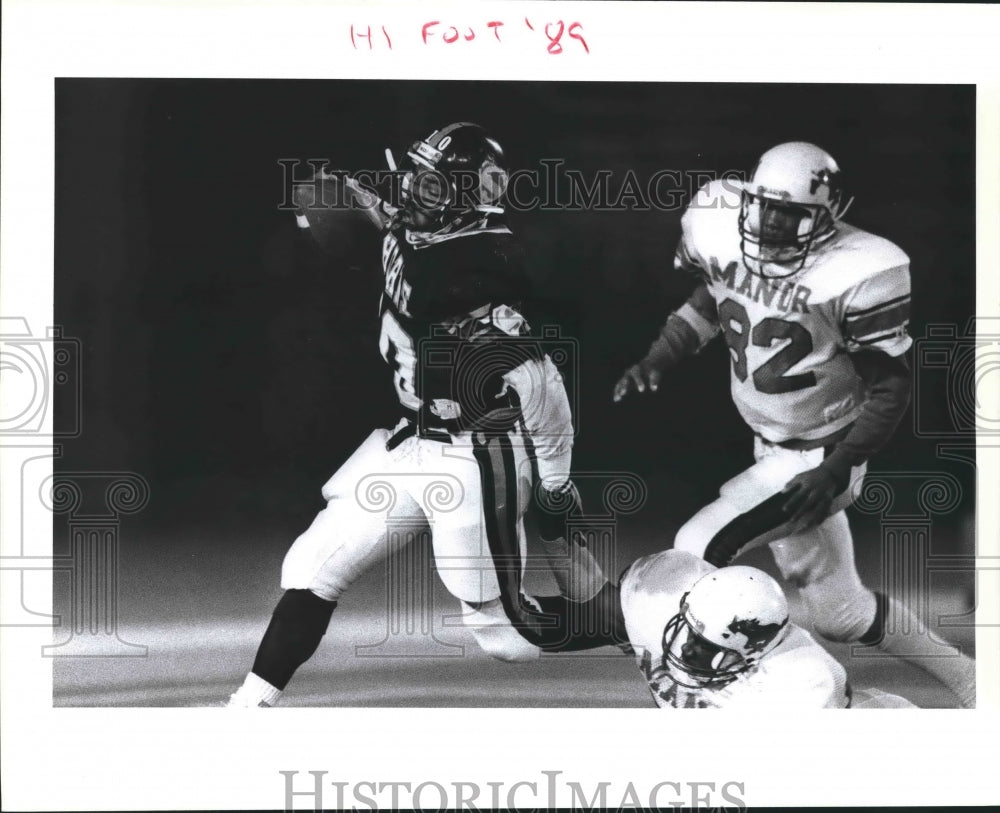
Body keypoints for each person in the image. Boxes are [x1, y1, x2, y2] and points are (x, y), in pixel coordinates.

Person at [229, 122, 615, 707]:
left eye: (433, 185)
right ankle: (245, 709)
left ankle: (643, 619)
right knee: (312, 565)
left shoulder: (477, 262)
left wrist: (555, 480)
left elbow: (540, 379)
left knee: (508, 639)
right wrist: (361, 203)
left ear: (464, 197)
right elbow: (393, 228)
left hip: (476, 451)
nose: (413, 191)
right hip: (411, 441)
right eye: (415, 178)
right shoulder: (430, 231)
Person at [613, 142, 975, 708]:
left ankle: (707, 699)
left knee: (694, 549)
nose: (773, 223)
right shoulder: (720, 226)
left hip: (819, 456)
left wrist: (835, 470)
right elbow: (713, 298)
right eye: (765, 207)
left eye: (792, 214)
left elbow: (891, 387)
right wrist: (660, 356)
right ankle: (968, 683)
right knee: (842, 613)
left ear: (827, 217)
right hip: (775, 450)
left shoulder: (857, 270)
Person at [620, 549, 915, 708]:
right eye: (690, 631)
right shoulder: (664, 589)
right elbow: (604, 611)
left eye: (707, 647)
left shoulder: (801, 684)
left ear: (753, 653)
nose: (685, 648)